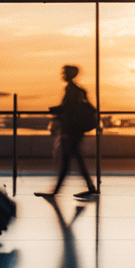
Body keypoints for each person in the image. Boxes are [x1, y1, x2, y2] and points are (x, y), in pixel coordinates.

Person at [37, 65, 98, 199]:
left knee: (68, 161)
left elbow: (68, 108)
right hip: (74, 129)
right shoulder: (77, 90)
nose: (62, 75)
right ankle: (89, 187)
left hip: (71, 129)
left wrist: (54, 110)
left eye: (64, 73)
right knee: (73, 159)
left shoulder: (71, 90)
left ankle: (56, 191)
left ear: (70, 74)